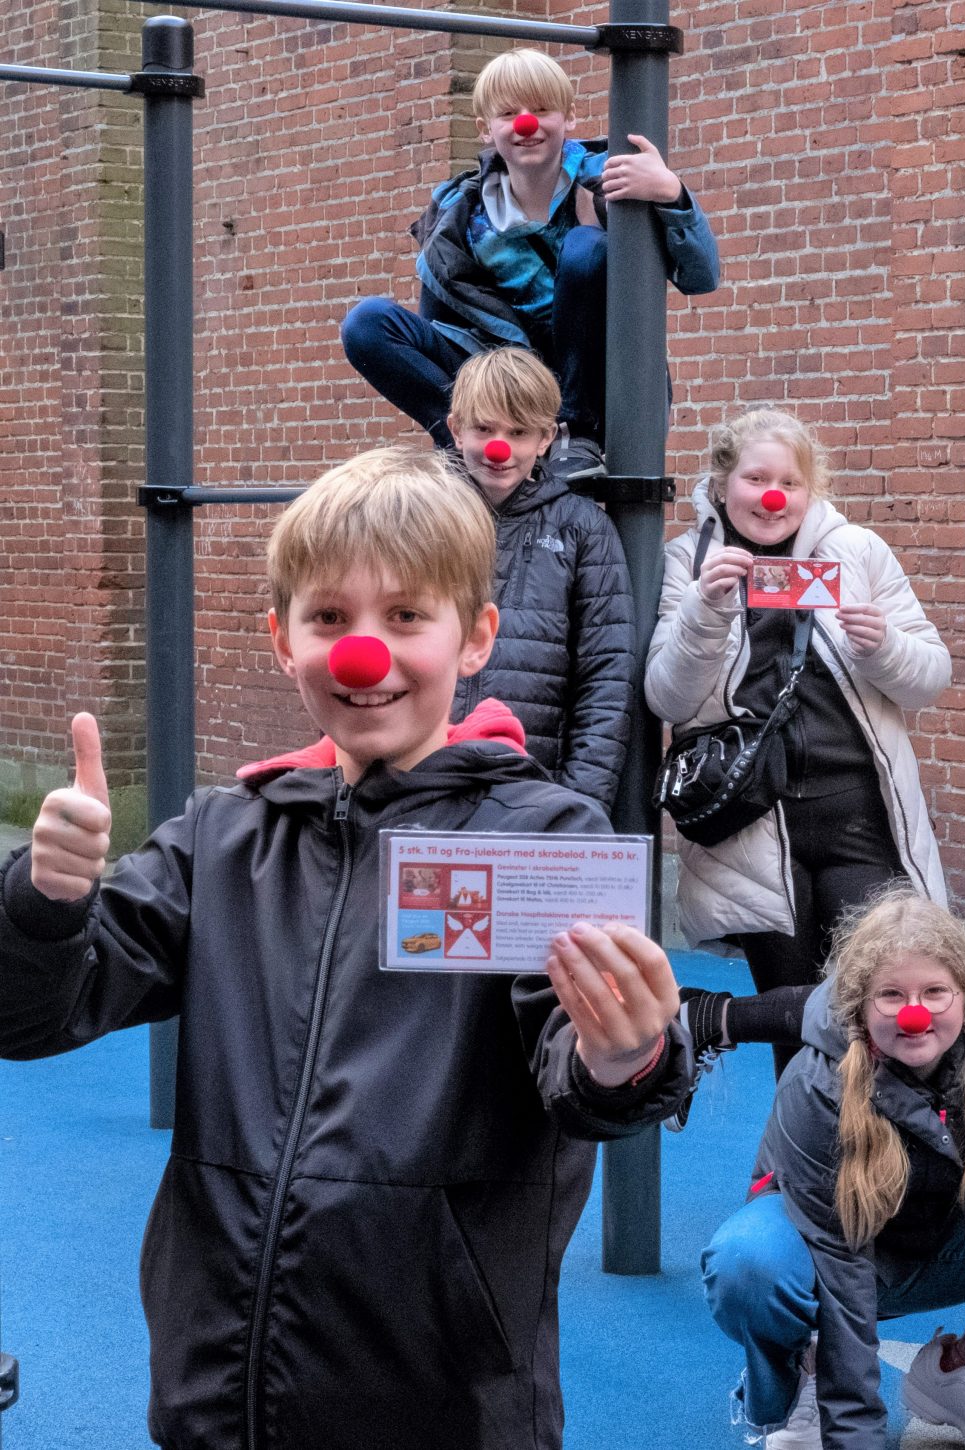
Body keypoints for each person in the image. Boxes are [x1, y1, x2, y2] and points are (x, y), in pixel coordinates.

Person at [0, 447, 691, 1449]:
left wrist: (623, 1054)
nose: (365, 651)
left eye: (406, 616)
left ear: (475, 638)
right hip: (221, 1391)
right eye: (330, 618)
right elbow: (38, 1014)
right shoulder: (221, 839)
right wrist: (46, 901)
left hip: (439, 1401)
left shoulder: (541, 839)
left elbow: (577, 1073)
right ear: (283, 639)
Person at [701, 889, 965, 1450]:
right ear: (858, 1005)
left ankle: (962, 1368)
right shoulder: (816, 1084)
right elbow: (839, 1261)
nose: (915, 1013)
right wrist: (857, 1437)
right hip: (835, 1257)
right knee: (747, 1264)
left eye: (934, 993)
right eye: (891, 995)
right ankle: (801, 1375)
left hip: (954, 1235)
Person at [648, 410, 950, 1080]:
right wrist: (705, 609)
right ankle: (798, 1167)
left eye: (790, 480)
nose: (773, 495)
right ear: (724, 483)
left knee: (875, 999)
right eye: (756, 478)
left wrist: (884, 648)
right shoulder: (685, 561)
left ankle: (871, 1161)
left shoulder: (858, 552)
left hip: (859, 819)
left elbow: (931, 674)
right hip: (755, 825)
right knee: (797, 1024)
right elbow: (667, 699)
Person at [341, 47, 720, 474]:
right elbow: (437, 322)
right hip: (507, 381)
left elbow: (701, 277)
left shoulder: (613, 179)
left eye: (542, 110)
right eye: (509, 114)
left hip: (594, 382)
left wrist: (672, 193)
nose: (527, 124)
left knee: (585, 247)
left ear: (569, 118)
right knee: (367, 322)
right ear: (486, 129)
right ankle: (466, 443)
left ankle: (575, 436)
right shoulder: (458, 212)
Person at [443, 347, 632, 811]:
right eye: (483, 429)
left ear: (546, 438)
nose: (498, 449)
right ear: (455, 429)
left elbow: (606, 676)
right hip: (422, 779)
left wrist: (579, 802)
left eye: (518, 433)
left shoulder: (584, 528)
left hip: (532, 789)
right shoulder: (418, 517)